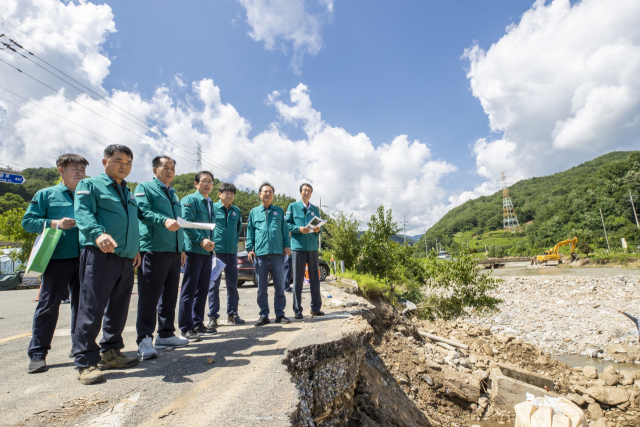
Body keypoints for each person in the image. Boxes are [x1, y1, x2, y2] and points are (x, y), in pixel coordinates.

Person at [73, 144, 141, 385]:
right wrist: (96, 233)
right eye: (119, 161)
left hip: (125, 257)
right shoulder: (89, 185)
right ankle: (85, 361)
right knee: (92, 308)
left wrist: (136, 249)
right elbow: (83, 213)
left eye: (129, 163)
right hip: (100, 253)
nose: (124, 166)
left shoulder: (129, 192)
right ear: (105, 162)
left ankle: (111, 352)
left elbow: (133, 224)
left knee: (119, 308)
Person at [21, 153, 89, 373]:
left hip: (85, 258)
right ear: (61, 170)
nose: (80, 173)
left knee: (83, 306)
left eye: (83, 169)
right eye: (75, 169)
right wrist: (55, 223)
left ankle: (79, 346)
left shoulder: (87, 194)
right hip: (56, 259)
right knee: (48, 305)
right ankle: (38, 353)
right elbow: (28, 223)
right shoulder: (46, 194)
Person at [134, 156, 189, 360]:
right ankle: (144, 338)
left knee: (169, 296)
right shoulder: (145, 188)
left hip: (174, 251)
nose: (170, 171)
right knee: (149, 296)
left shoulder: (173, 194)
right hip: (153, 249)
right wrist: (163, 220)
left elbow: (179, 223)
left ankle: (165, 334)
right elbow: (142, 211)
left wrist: (181, 247)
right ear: (155, 169)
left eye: (173, 168)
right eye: (165, 167)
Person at [246, 182, 291, 326]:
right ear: (260, 194)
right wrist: (249, 249)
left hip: (277, 255)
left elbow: (284, 231)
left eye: (270, 191)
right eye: (265, 191)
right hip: (260, 255)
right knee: (261, 287)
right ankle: (264, 315)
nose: (267, 194)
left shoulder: (279, 211)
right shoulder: (254, 212)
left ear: (273, 195)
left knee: (279, 286)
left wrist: (287, 246)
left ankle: (280, 314)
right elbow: (250, 232)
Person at [179, 171, 216, 340]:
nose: (207, 184)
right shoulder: (190, 200)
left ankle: (198, 323)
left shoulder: (210, 203)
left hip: (206, 252)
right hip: (193, 251)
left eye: (210, 181)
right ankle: (186, 327)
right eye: (203, 181)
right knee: (189, 290)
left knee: (202, 290)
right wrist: (201, 240)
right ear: (196, 183)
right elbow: (185, 224)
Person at [207, 182, 245, 328]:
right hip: (216, 252)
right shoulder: (212, 208)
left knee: (232, 285)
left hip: (231, 252)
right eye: (226, 193)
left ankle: (232, 314)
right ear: (219, 194)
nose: (229, 195)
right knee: (214, 285)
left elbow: (237, 229)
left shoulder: (236, 211)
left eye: (232, 193)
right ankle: (213, 316)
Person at [286, 183, 323, 319]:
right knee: (297, 279)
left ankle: (315, 308)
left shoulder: (315, 209)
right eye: (304, 190)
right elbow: (287, 224)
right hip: (298, 247)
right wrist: (298, 229)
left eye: (309, 190)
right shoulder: (293, 207)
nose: (306, 192)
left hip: (312, 247)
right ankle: (297, 310)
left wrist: (318, 229)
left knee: (315, 278)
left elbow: (319, 226)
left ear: (311, 193)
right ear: (300, 192)